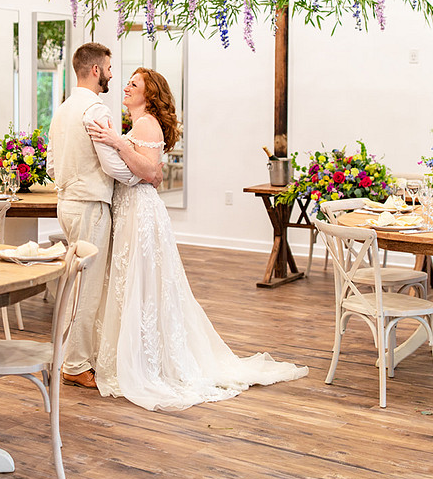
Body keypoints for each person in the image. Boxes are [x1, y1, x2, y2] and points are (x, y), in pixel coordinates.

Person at [87, 67, 308, 410]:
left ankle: (147, 360)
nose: (126, 87)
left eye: (134, 84)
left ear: (149, 94)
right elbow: (155, 172)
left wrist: (117, 142)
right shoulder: (140, 124)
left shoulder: (145, 123)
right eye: (127, 82)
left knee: (143, 284)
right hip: (132, 209)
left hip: (140, 212)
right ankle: (138, 351)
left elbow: (149, 171)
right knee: (137, 284)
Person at [47, 43, 162, 389]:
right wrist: (141, 179)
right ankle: (75, 364)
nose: (113, 75)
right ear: (96, 70)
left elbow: (51, 165)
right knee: (89, 288)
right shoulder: (96, 110)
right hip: (91, 206)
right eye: (110, 68)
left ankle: (67, 355)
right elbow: (112, 165)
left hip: (66, 204)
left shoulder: (62, 109)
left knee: (74, 283)